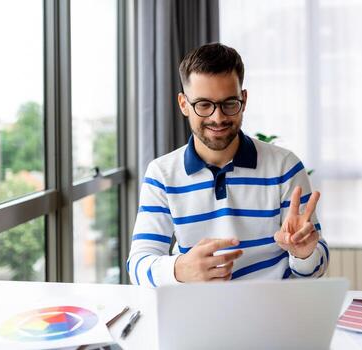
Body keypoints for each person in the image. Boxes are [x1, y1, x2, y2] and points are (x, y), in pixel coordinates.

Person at [127, 43, 329, 287]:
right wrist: (180, 269)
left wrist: (303, 253)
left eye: (229, 103)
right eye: (203, 104)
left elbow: (315, 269)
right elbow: (138, 264)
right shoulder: (162, 174)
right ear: (183, 104)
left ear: (243, 100)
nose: (218, 117)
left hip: (273, 313)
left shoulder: (285, 167)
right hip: (199, 313)